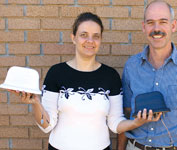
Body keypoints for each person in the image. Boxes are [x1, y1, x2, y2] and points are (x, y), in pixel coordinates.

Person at [10, 12, 161, 150]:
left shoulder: (110, 76)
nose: (90, 41)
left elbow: (115, 124)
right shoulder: (56, 73)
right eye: (84, 34)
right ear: (73, 38)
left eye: (96, 36)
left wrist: (137, 122)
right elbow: (47, 125)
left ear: (101, 40)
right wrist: (36, 103)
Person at [118, 0, 177, 150]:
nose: (156, 29)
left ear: (173, 26)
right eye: (150, 22)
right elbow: (125, 114)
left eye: (163, 22)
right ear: (144, 27)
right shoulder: (131, 66)